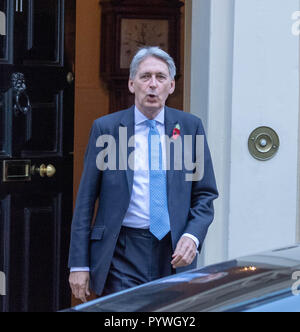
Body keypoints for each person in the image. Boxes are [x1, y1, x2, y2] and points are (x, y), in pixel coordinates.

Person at [68, 47, 218, 302]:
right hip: (122, 251)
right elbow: (85, 201)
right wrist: (78, 264)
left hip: (173, 251)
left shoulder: (190, 127)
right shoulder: (108, 129)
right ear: (131, 84)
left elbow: (204, 193)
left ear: (171, 86)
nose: (152, 85)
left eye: (160, 77)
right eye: (145, 76)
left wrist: (192, 236)